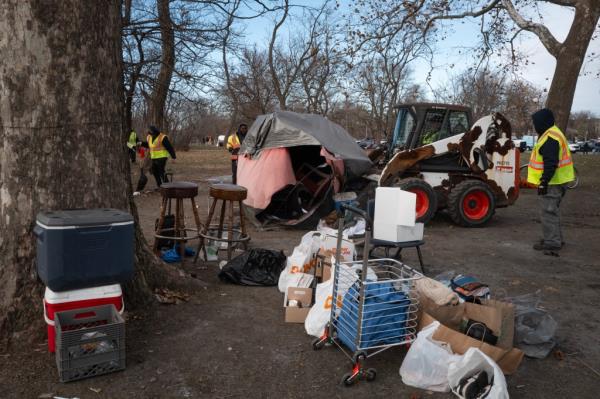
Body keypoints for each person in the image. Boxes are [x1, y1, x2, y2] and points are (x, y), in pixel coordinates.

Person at [527, 108, 575, 253]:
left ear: (542, 123)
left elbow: (550, 162)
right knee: (552, 211)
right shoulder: (553, 133)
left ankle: (552, 242)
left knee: (548, 212)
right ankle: (555, 238)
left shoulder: (550, 138)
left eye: (535, 123)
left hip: (553, 182)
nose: (534, 126)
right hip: (559, 180)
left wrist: (543, 182)